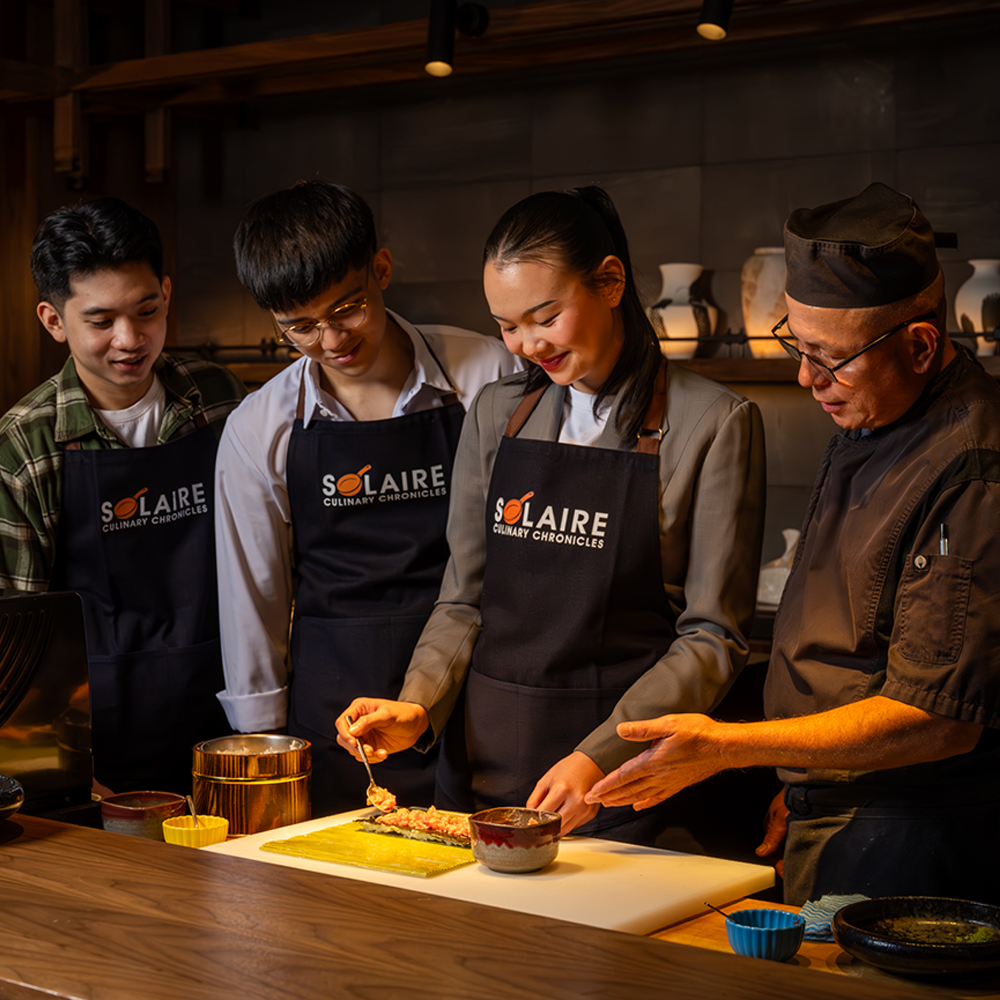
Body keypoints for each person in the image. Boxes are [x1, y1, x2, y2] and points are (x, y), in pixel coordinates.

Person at [585, 182, 1000, 904]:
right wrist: (798, 780)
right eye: (796, 346)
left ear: (922, 344)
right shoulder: (874, 409)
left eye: (829, 358)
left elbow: (935, 720)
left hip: (913, 835)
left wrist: (727, 749)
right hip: (836, 806)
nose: (807, 378)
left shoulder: (971, 463)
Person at [335, 186, 766, 844]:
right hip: (482, 764)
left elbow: (712, 637)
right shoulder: (495, 415)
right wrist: (417, 704)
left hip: (620, 780)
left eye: (544, 316)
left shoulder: (714, 422)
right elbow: (464, 600)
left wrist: (599, 757)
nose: (526, 344)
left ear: (610, 282)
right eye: (508, 325)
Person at [214, 179, 520, 816]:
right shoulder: (259, 426)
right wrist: (264, 743)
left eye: (346, 309)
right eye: (299, 328)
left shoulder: (487, 375)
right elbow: (255, 600)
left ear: (381, 269)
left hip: (477, 688)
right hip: (336, 705)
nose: (331, 342)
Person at [0, 196, 247, 793]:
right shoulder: (27, 442)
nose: (130, 338)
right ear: (54, 320)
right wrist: (52, 776)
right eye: (101, 320)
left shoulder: (218, 399)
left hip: (227, 720)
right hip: (93, 750)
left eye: (147, 310)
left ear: (166, 291)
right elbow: (16, 629)